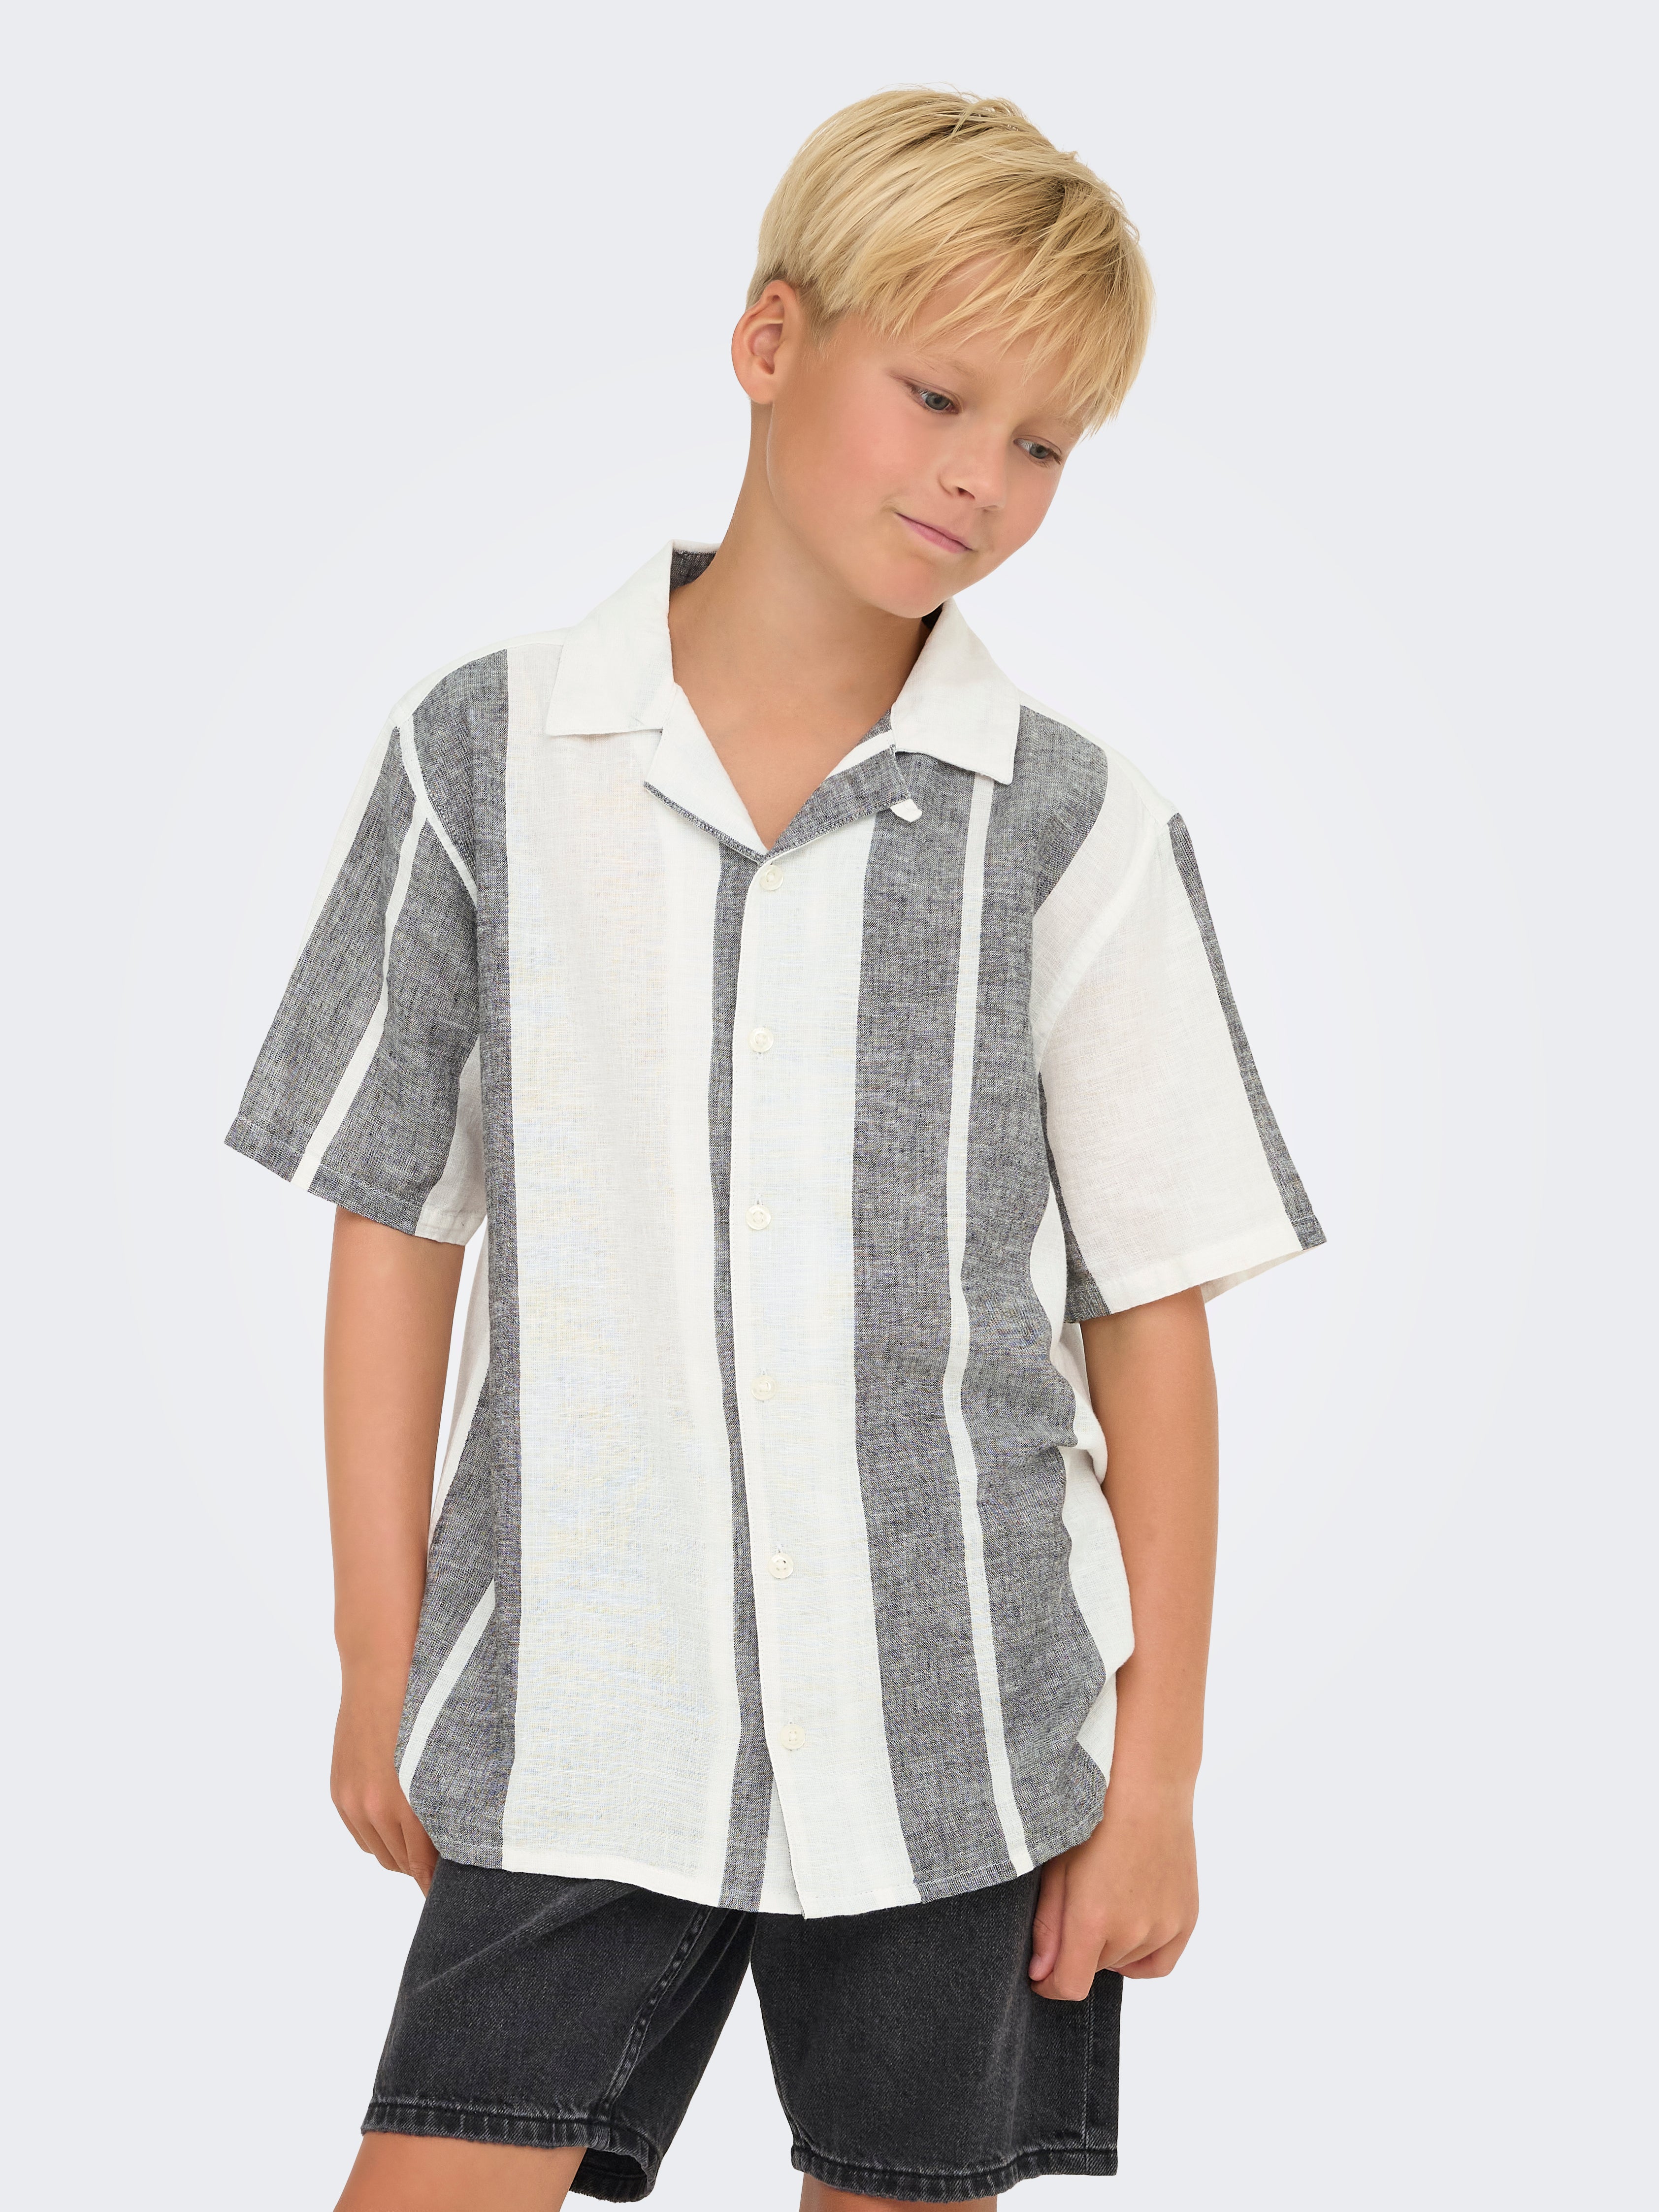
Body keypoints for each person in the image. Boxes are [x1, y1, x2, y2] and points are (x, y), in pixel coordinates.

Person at [228, 86, 1323, 2212]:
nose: (981, 477)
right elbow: (395, 1219)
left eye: (1044, 443)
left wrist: (1158, 1768)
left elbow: (1149, 1313)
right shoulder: (485, 754)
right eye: (939, 395)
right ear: (769, 341)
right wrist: (379, 1655)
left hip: (959, 1737)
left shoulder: (1068, 823)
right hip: (570, 1708)